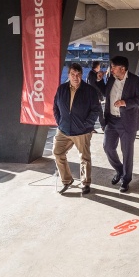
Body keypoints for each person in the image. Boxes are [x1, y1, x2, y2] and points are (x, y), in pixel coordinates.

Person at [52, 63, 102, 195]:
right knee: (57, 153)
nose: (76, 77)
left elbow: (95, 109)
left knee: (84, 158)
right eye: (73, 74)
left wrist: (87, 125)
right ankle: (67, 180)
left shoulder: (90, 91)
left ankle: (85, 183)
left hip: (82, 131)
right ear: (68, 75)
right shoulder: (61, 89)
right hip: (63, 130)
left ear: (82, 75)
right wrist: (59, 122)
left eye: (78, 74)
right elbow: (55, 107)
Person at [101, 55, 139, 193]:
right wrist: (98, 81)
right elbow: (104, 93)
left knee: (127, 152)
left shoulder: (134, 81)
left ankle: (126, 180)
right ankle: (120, 170)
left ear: (122, 68)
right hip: (111, 120)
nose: (111, 69)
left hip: (127, 122)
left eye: (113, 67)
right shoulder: (111, 79)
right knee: (108, 147)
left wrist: (125, 103)